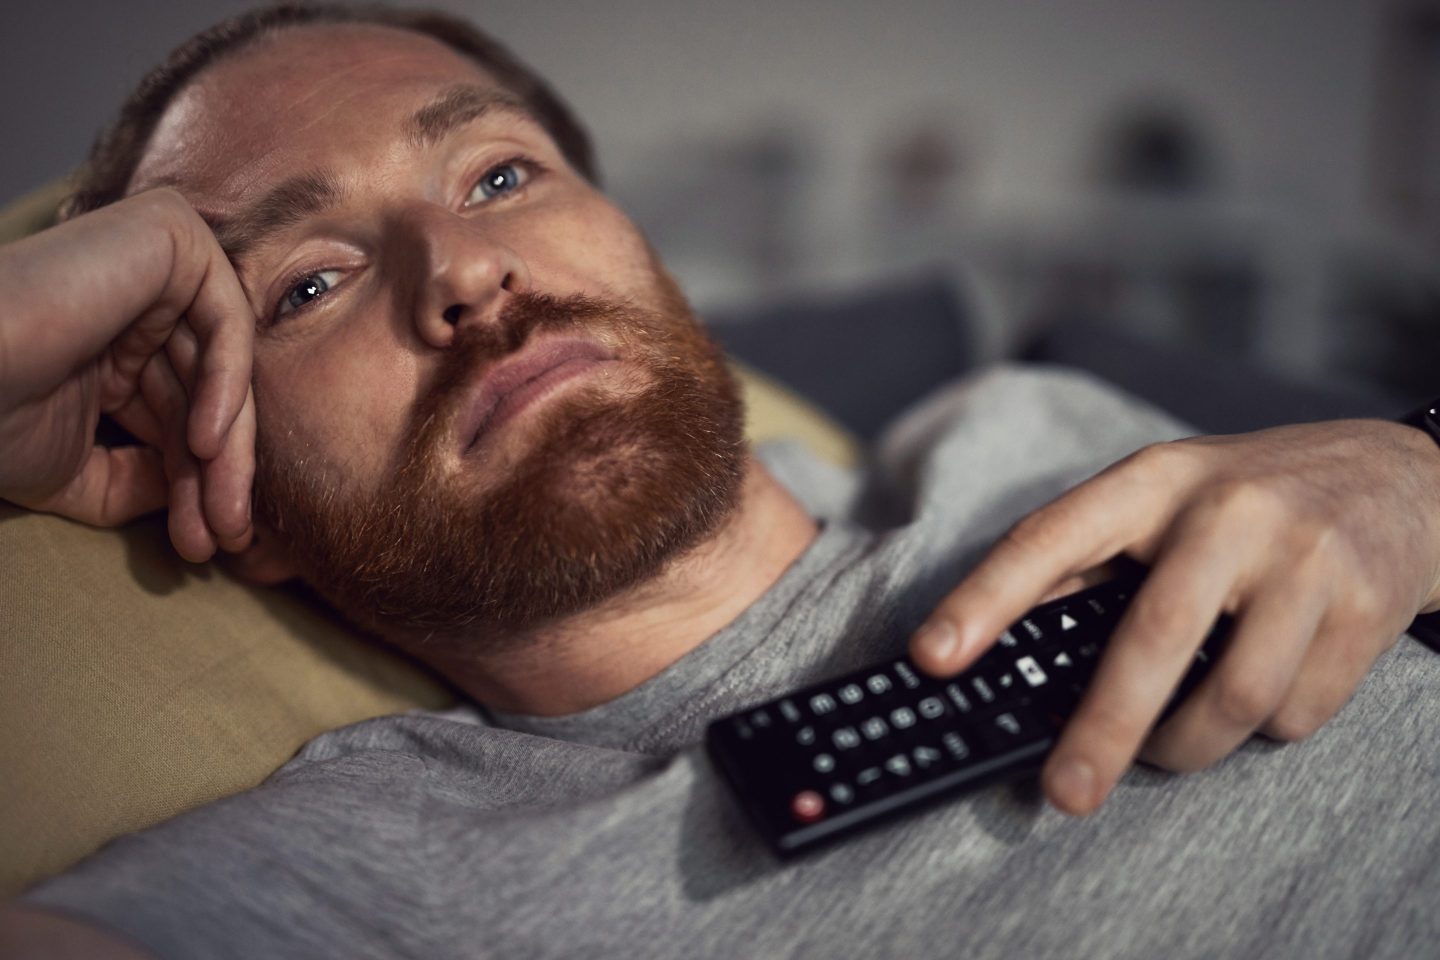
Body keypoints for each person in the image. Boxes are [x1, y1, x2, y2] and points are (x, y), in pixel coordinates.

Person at [1, 4, 1437, 957]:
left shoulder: (1031, 417)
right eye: (307, 283)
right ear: (236, 502)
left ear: (638, 243)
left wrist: (1417, 468)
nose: (465, 272)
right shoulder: (343, 886)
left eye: (499, 179)